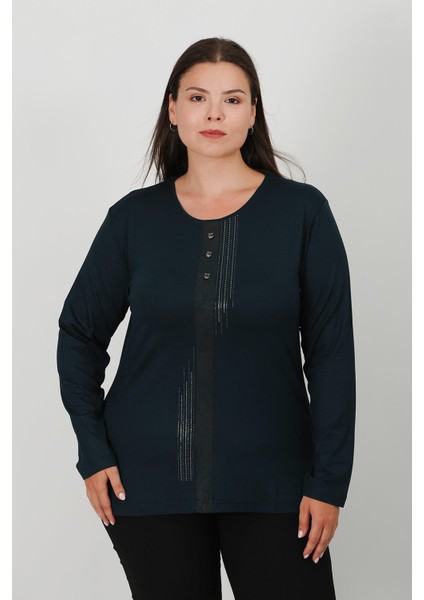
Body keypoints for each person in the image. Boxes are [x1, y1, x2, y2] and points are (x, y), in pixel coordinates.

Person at [56, 37, 356, 600]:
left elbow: (332, 356)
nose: (214, 113)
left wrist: (329, 480)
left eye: (232, 99)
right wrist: (93, 452)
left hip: (277, 486)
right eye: (197, 97)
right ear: (173, 110)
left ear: (253, 113)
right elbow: (78, 334)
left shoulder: (303, 213)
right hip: (146, 484)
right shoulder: (132, 220)